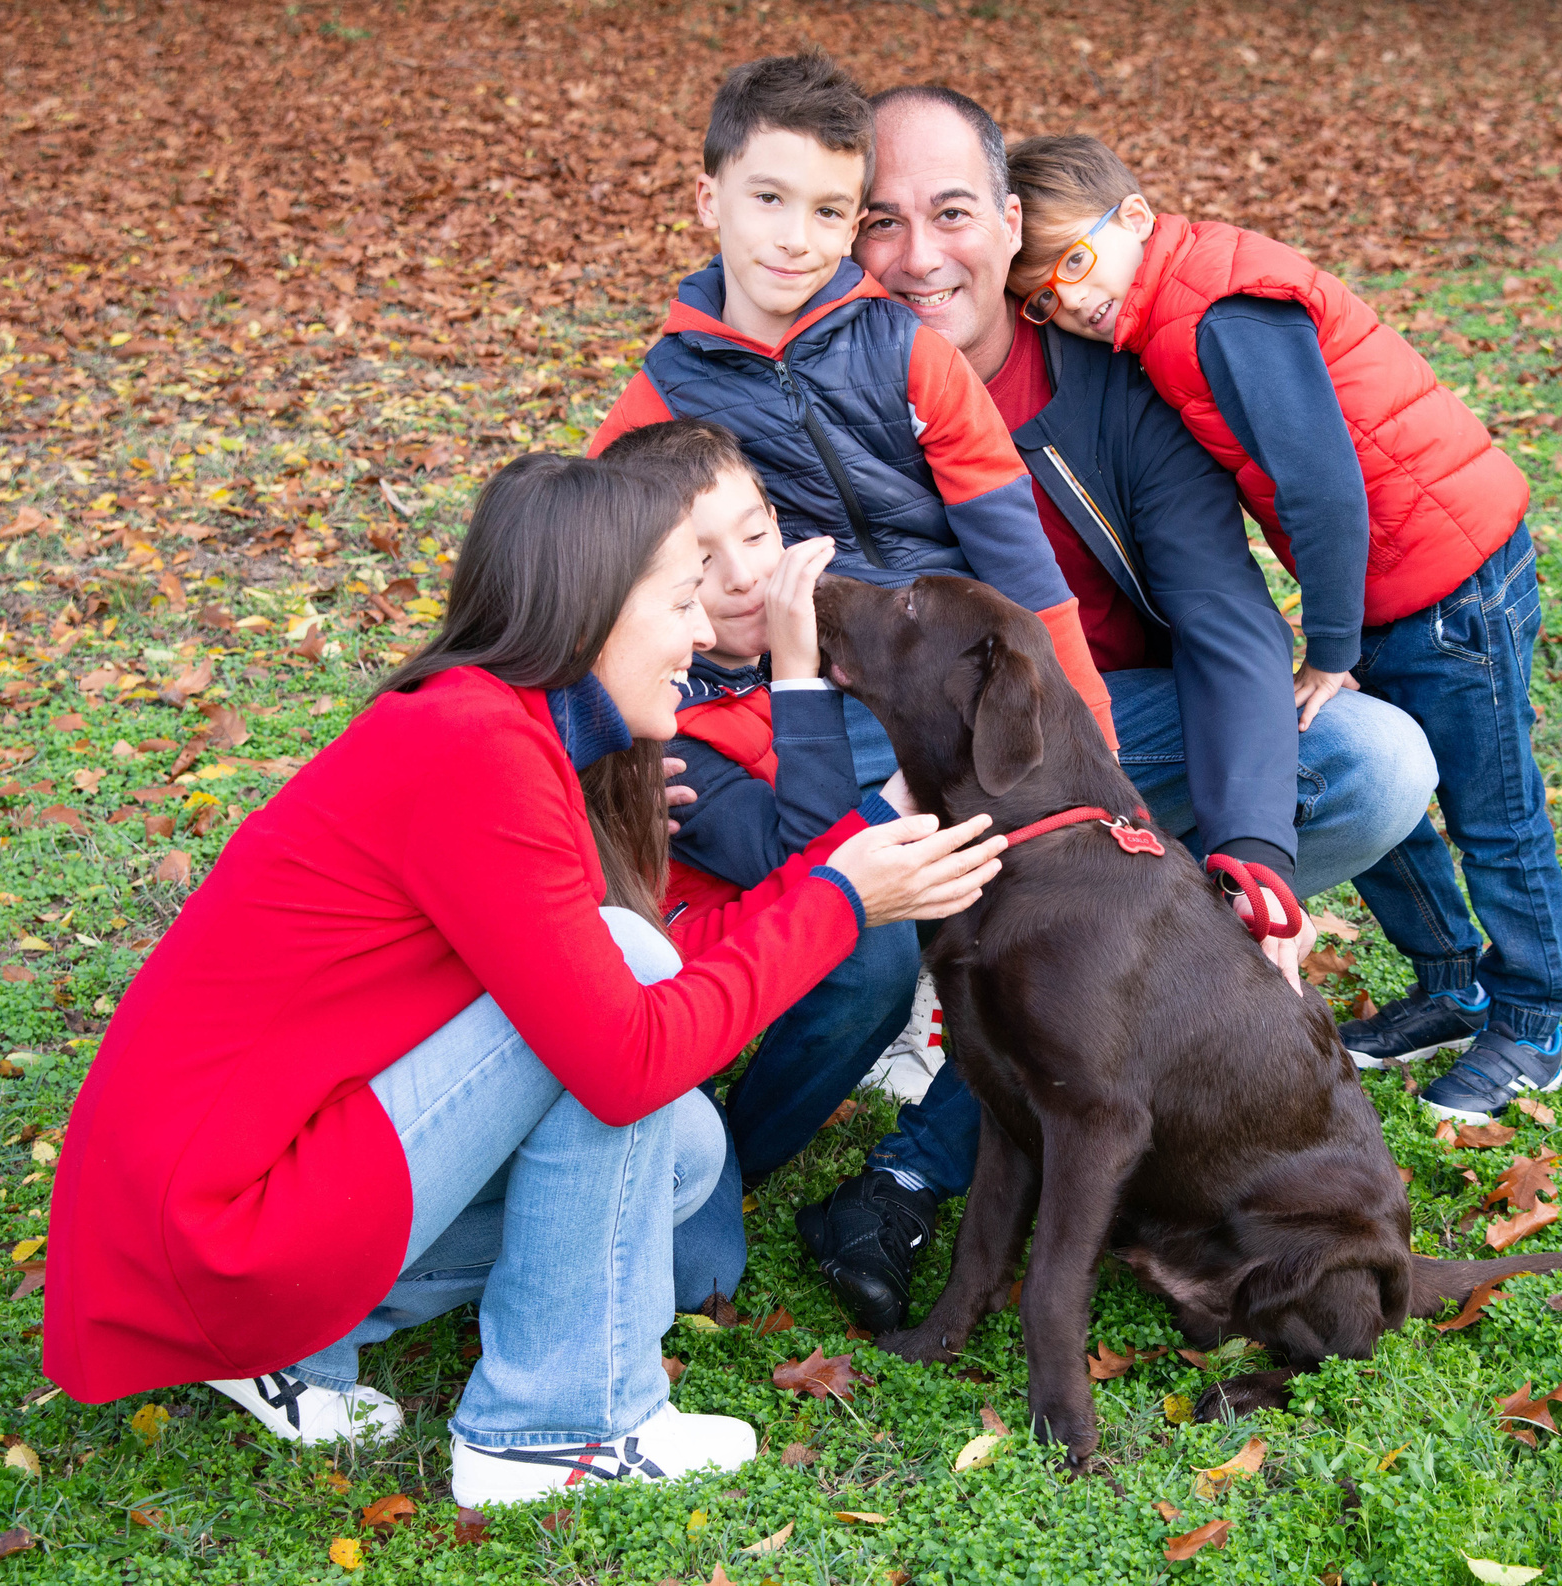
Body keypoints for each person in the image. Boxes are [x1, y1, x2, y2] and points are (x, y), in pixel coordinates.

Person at [41, 453, 1007, 1508]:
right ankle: (553, 1422)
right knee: (630, 1001)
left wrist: (841, 872)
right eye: (682, 600)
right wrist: (838, 900)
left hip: (231, 1185)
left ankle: (297, 1336)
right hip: (213, 1223)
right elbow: (627, 1044)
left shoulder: (503, 729)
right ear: (593, 608)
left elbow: (636, 996)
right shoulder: (472, 744)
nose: (698, 634)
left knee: (684, 1154)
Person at [789, 85, 1442, 1334]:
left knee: (1370, 760)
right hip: (912, 741)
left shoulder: (1109, 391)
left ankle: (955, 1136)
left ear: (1009, 217)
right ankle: (948, 1027)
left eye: (952, 213)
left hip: (1109, 741)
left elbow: (1233, 631)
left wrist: (1251, 860)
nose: (919, 256)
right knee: (861, 868)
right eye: (879, 222)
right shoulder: (828, 393)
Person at [1001, 133, 1562, 1129]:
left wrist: (1334, 649)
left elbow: (1322, 484)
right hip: (1387, 580)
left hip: (1453, 575)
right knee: (1372, 787)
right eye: (1043, 294)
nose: (1070, 299)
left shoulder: (1219, 313)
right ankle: (1449, 984)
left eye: (1077, 262)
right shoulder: (1158, 319)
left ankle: (1529, 1023)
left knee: (1493, 807)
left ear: (1135, 218)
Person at [583, 52, 1122, 764]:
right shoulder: (666, 395)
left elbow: (1020, 563)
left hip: (965, 688)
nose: (795, 239)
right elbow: (582, 577)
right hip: (804, 715)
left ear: (852, 229)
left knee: (1309, 750)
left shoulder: (913, 357)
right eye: (767, 199)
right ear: (709, 199)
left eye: (828, 212)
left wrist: (1096, 746)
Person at [596, 418, 941, 1312]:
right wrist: (797, 671)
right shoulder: (657, 704)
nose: (747, 575)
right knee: (864, 944)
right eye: (702, 559)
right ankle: (707, 1148)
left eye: (756, 533)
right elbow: (810, 864)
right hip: (676, 968)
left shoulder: (815, 619)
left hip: (772, 924)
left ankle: (752, 1153)